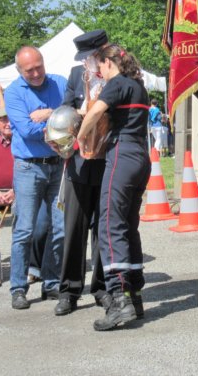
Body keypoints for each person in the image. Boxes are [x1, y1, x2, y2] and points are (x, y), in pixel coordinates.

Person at [76, 44, 151, 331]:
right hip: (141, 156)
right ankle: (135, 295)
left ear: (109, 63)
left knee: (109, 225)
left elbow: (95, 113)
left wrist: (81, 138)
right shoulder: (138, 85)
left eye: (100, 66)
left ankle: (119, 300)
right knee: (128, 226)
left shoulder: (117, 83)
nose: (99, 71)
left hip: (122, 154)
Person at [5, 46, 66, 310]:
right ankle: (18, 287)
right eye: (29, 70)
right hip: (28, 167)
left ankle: (51, 282)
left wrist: (49, 113)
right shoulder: (14, 92)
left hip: (58, 165)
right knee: (24, 230)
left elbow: (74, 114)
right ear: (19, 71)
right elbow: (28, 130)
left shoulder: (60, 83)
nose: (36, 73)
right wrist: (57, 117)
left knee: (60, 227)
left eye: (39, 66)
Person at [54, 29, 109, 316]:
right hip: (78, 161)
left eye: (92, 56)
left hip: (107, 160)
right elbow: (64, 107)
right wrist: (76, 112)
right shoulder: (77, 74)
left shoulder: (116, 73)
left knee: (103, 228)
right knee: (73, 228)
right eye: (85, 57)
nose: (89, 61)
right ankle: (69, 290)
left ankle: (100, 288)